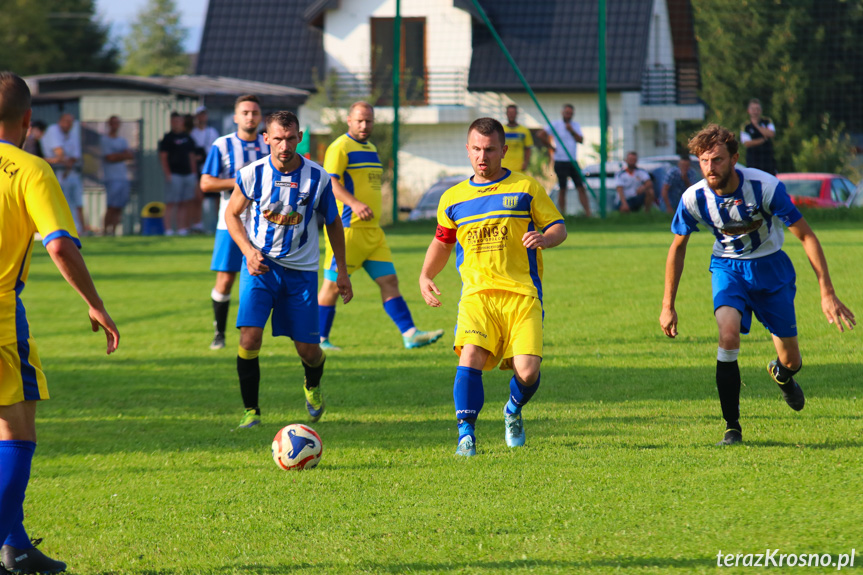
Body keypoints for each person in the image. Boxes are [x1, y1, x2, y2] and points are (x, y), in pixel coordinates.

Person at [659, 124, 855, 446]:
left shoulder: (765, 187)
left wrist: (827, 292)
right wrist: (668, 305)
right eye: (704, 161)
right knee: (727, 335)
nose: (711, 167)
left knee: (791, 359)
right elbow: (677, 247)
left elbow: (806, 235)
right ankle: (732, 428)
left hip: (770, 269)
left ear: (734, 158)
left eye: (718, 159)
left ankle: (781, 373)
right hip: (727, 268)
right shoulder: (693, 197)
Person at [0, 71, 120, 574]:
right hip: (1, 313)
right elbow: (58, 242)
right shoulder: (30, 169)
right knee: (15, 425)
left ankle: (15, 546)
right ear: (29, 120)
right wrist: (95, 302)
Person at [418, 117, 567, 456]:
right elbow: (442, 243)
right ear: (468, 151)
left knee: (528, 373)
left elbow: (559, 227)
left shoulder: (526, 188)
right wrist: (426, 275)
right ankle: (465, 436)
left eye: (489, 149)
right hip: (477, 295)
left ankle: (512, 409)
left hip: (522, 293)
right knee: (469, 356)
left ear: (504, 150)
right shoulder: (452, 199)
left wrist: (544, 237)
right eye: (476, 149)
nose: (482, 156)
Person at [224, 111, 352, 429]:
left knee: (308, 350)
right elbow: (231, 215)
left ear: (300, 137)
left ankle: (312, 384)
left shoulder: (318, 177)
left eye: (290, 138)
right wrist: (248, 251)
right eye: (277, 138)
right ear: (266, 138)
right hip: (260, 268)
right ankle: (251, 410)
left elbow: (334, 224)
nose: (284, 145)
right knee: (250, 338)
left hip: (302, 273)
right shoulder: (252, 174)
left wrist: (343, 272)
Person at [316, 101, 443, 351]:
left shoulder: (371, 148)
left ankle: (410, 334)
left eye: (369, 121)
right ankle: (319, 340)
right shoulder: (339, 147)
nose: (364, 125)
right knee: (331, 285)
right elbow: (330, 183)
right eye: (359, 120)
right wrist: (354, 203)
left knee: (389, 281)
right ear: (349, 121)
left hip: (373, 233)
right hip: (347, 230)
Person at [200, 95, 268, 351]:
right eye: (245, 112)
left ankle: (257, 334)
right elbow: (206, 183)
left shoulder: (268, 144)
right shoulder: (222, 144)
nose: (250, 117)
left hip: (264, 225)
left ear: (260, 117)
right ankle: (219, 333)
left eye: (254, 112)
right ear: (236, 117)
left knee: (264, 278)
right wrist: (242, 183)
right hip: (229, 223)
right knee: (226, 279)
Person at [540, 104, 591, 217]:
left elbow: (581, 140)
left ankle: (588, 214)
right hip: (560, 160)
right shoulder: (555, 124)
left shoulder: (575, 125)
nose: (568, 115)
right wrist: (551, 147)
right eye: (567, 112)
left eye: (570, 113)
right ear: (562, 113)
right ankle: (563, 214)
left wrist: (571, 130)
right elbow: (541, 135)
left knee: (580, 187)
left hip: (572, 160)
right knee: (563, 188)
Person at [43, 113, 86, 234]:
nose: (68, 125)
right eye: (66, 121)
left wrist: (67, 163)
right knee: (62, 202)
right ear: (60, 121)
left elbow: (74, 157)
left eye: (70, 122)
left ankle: (80, 230)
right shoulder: (53, 130)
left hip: (71, 173)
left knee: (77, 202)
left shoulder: (72, 133)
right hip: (56, 174)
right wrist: (62, 161)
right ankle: (64, 229)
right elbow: (60, 153)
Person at [158, 112, 198, 236]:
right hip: (174, 174)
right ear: (171, 122)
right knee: (171, 202)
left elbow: (192, 157)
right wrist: (168, 174)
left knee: (184, 202)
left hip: (188, 175)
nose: (177, 123)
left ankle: (182, 229)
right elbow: (163, 157)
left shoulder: (188, 138)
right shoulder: (167, 138)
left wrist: (194, 173)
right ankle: (168, 230)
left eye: (179, 121)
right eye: (174, 121)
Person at [100, 116, 134, 236]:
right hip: (111, 178)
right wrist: (122, 155)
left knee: (119, 206)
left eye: (117, 123)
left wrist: (119, 156)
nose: (115, 125)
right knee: (112, 206)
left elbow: (130, 155)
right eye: (113, 123)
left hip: (123, 177)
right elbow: (110, 157)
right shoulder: (105, 140)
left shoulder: (122, 140)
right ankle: (105, 230)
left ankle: (113, 231)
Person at [191, 105, 221, 234]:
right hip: (198, 169)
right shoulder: (192, 133)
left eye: (204, 114)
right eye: (200, 115)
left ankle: (219, 223)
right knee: (199, 197)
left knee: (217, 198)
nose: (202, 117)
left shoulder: (212, 132)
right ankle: (198, 225)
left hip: (211, 168)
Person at [740, 98, 777, 175]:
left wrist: (757, 126)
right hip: (753, 162)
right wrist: (763, 139)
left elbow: (771, 134)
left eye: (757, 109)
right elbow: (747, 143)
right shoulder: (746, 126)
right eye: (753, 109)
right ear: (748, 111)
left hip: (768, 162)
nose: (755, 111)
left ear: (761, 110)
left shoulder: (767, 121)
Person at [501, 104, 533, 173]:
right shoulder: (500, 130)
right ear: (506, 114)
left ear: (517, 114)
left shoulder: (524, 131)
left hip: (519, 167)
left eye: (513, 113)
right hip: (503, 167)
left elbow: (528, 149)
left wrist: (526, 163)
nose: (511, 115)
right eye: (509, 113)